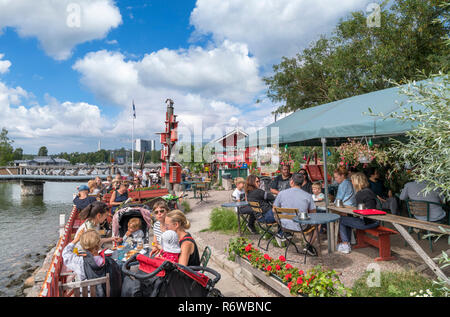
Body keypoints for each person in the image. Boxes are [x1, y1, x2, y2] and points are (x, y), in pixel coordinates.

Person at [62, 229, 122, 296]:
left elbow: (65, 253)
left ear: (83, 246)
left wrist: (76, 239)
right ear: (99, 244)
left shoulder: (80, 262)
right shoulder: (109, 262)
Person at [273, 173, 318, 254]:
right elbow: (313, 214)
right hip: (301, 226)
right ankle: (308, 245)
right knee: (318, 223)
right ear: (302, 183)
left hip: (284, 225)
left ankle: (282, 235)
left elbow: (274, 210)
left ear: (291, 182)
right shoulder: (308, 195)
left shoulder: (281, 193)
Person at [337, 172, 380, 254]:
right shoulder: (367, 191)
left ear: (357, 182)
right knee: (346, 219)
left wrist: (350, 214)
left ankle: (346, 245)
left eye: (352, 180)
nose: (351, 182)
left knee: (341, 219)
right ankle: (349, 242)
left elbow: (364, 211)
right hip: (374, 220)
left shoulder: (361, 193)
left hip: (368, 222)